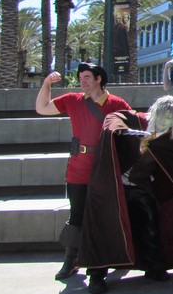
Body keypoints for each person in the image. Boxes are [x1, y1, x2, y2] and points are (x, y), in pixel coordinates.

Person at [77, 96, 173, 294]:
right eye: (162, 116)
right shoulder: (138, 121)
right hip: (113, 186)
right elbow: (113, 117)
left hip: (141, 187)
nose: (164, 121)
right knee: (106, 225)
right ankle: (97, 274)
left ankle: (154, 266)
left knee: (150, 225)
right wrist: (118, 130)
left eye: (170, 118)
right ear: (155, 113)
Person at [35, 62, 131, 282]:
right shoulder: (72, 100)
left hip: (105, 168)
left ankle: (104, 262)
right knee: (76, 215)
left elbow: (132, 129)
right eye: (80, 77)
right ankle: (71, 260)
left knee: (104, 216)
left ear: (99, 79)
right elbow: (42, 108)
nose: (82, 81)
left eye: (87, 77)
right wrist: (47, 83)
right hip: (78, 169)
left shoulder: (117, 104)